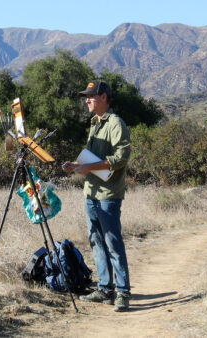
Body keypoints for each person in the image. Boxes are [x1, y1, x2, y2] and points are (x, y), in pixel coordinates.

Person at [62, 80, 132, 312]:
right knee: (96, 241)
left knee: (112, 242)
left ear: (104, 97)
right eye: (86, 96)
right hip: (91, 193)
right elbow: (93, 159)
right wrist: (76, 164)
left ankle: (122, 292)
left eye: (91, 96)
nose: (87, 100)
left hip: (108, 195)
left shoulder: (115, 123)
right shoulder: (95, 123)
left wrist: (88, 168)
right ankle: (105, 289)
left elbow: (121, 157)